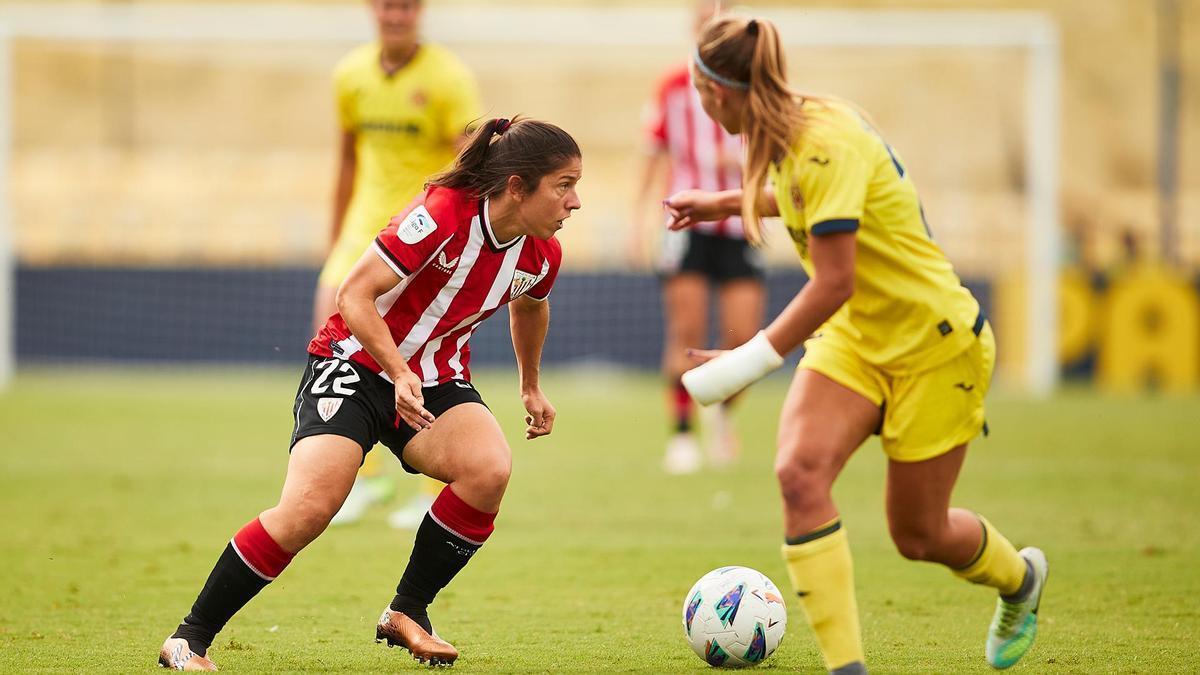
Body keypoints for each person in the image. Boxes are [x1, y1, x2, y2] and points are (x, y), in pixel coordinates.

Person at [667, 15, 1047, 674]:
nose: (701, 103)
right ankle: (848, 668)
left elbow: (835, 280)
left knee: (920, 535)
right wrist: (725, 202)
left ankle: (1019, 580)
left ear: (718, 91)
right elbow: (802, 196)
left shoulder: (825, 140)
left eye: (701, 91)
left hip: (935, 346)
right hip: (857, 340)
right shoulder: (792, 120)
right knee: (798, 472)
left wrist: (743, 361)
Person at [158, 118, 582, 671]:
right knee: (309, 509)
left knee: (489, 469)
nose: (575, 202)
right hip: (352, 365)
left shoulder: (541, 254)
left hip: (434, 381)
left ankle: (408, 611)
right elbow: (353, 295)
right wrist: (397, 370)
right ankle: (189, 639)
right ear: (518, 185)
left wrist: (530, 385)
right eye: (565, 185)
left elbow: (531, 306)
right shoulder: (442, 213)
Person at [316, 0, 483, 527]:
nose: (396, 16)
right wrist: (337, 233)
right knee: (331, 339)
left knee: (423, 356)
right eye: (388, 6)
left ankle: (435, 484)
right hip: (363, 232)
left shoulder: (449, 78)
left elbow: (470, 164)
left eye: (406, 7)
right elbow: (347, 156)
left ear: (420, 12)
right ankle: (362, 480)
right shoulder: (350, 74)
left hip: (420, 234)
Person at [632, 0, 765, 475]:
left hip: (741, 222)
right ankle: (683, 434)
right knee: (685, 332)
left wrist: (748, 170)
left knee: (746, 338)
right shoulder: (672, 84)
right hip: (685, 221)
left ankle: (724, 417)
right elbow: (653, 152)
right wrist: (638, 220)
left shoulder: (761, 85)